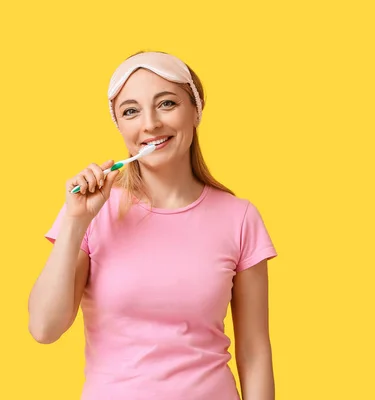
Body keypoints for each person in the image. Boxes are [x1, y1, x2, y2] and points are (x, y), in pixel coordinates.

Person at [28, 51, 278, 400]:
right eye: (131, 111)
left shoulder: (239, 217)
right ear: (120, 124)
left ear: (196, 110)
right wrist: (75, 222)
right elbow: (43, 328)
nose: (150, 124)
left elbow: (254, 353)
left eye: (166, 104)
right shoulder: (89, 211)